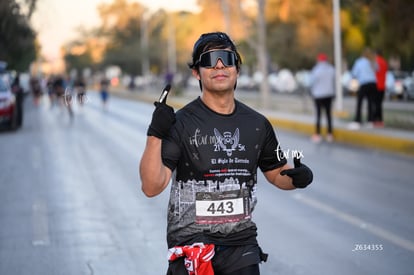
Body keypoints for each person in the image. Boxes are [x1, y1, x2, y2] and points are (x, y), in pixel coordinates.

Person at [139, 32, 313, 275]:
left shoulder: (257, 124)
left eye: (226, 58)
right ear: (196, 72)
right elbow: (151, 186)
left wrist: (297, 178)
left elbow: (277, 173)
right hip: (192, 247)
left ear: (237, 69)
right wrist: (155, 134)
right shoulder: (181, 123)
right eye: (209, 60)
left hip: (241, 246)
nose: (219, 65)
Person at [348, 48, 378, 130]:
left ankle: (358, 121)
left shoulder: (360, 62)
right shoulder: (372, 61)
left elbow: (354, 73)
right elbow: (377, 69)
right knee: (370, 103)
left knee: (359, 102)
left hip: (364, 83)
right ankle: (370, 121)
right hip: (373, 83)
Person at [309, 53, 335, 143]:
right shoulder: (331, 69)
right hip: (329, 94)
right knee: (328, 115)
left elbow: (311, 82)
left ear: (319, 60)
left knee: (319, 115)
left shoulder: (316, 70)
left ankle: (317, 134)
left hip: (318, 95)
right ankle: (330, 134)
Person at [373, 50, 388, 128]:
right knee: (380, 104)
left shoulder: (376, 62)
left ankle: (376, 119)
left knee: (376, 104)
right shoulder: (384, 62)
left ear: (376, 54)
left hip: (376, 85)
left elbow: (373, 72)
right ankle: (381, 120)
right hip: (383, 85)